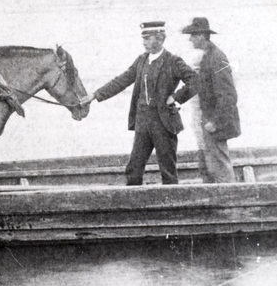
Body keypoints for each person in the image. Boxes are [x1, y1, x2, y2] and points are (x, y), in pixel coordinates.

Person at [82, 21, 196, 185]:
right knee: (134, 167)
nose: (144, 42)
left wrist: (177, 98)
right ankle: (132, 204)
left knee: (167, 168)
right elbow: (121, 80)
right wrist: (95, 95)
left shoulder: (173, 61)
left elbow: (196, 81)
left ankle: (172, 205)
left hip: (163, 122)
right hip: (142, 121)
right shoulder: (141, 60)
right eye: (143, 39)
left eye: (148, 39)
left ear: (160, 38)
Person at [175, 17, 240, 184]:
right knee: (210, 164)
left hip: (215, 123)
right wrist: (175, 100)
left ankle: (230, 199)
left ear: (202, 36)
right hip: (208, 121)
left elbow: (228, 95)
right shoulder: (207, 57)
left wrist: (215, 122)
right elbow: (197, 84)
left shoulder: (217, 58)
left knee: (220, 165)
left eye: (193, 35)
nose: (190, 39)